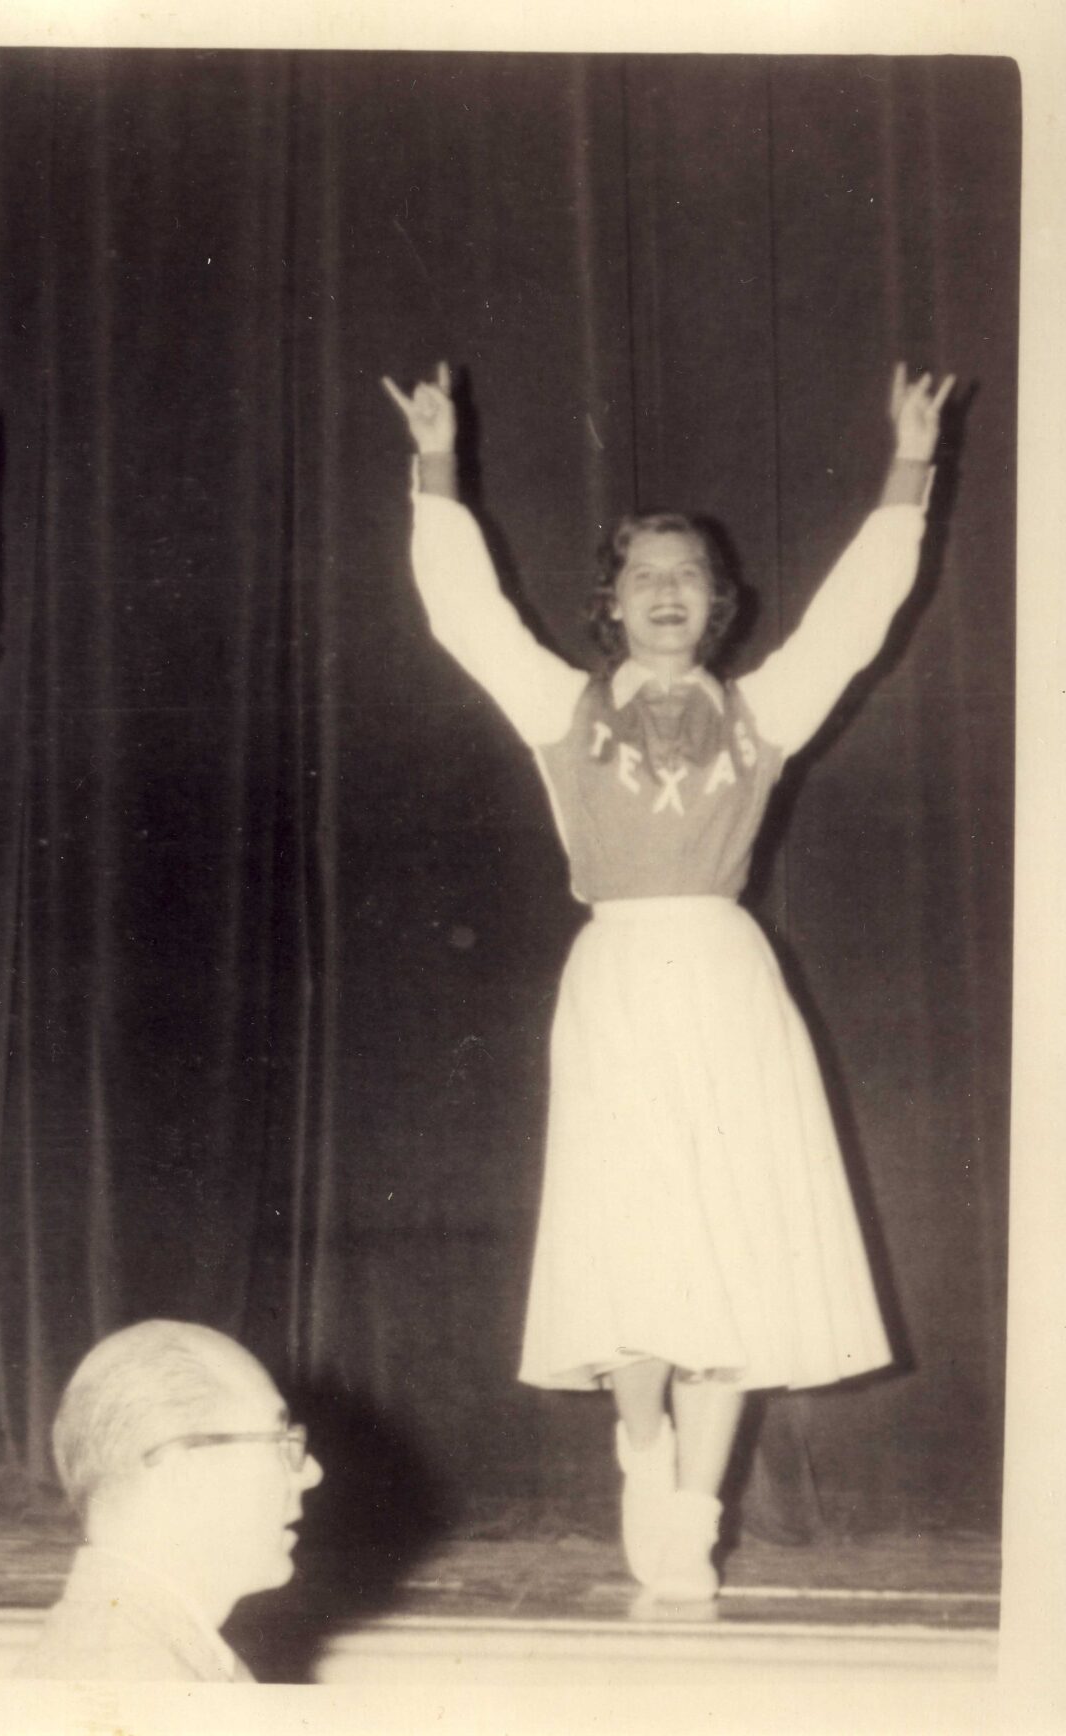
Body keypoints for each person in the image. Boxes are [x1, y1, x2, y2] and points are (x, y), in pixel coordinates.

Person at [381, 360, 953, 1600]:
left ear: (719, 604)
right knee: (628, 1230)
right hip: (619, 980)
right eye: (642, 575)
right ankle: (641, 1445)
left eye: (687, 575)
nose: (665, 592)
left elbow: (856, 618)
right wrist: (434, 466)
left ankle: (694, 1507)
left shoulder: (764, 708)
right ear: (609, 602)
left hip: (727, 980)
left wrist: (908, 466)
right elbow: (466, 614)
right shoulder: (560, 708)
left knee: (738, 1239)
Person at [18, 1321, 324, 1682]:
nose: (312, 1472)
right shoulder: (125, 1677)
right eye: (280, 1442)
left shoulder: (151, 1651)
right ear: (183, 1471)